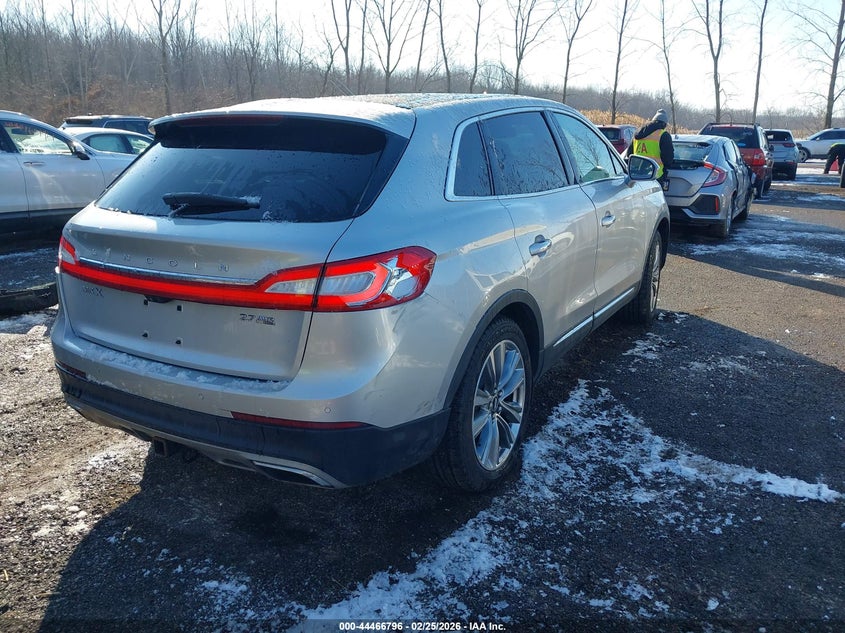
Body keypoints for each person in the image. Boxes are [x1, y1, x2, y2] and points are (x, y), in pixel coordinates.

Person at [627, 109, 674, 190]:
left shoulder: (637, 133)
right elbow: (668, 159)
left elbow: (629, 154)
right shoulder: (663, 135)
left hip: (636, 175)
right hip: (655, 176)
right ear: (664, 124)